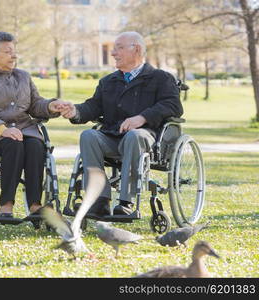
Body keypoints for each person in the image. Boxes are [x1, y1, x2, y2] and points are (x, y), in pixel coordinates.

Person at [60, 31, 183, 218]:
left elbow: (173, 105)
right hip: (113, 136)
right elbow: (94, 106)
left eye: (119, 48)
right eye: (114, 48)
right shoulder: (108, 81)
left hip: (146, 137)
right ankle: (100, 200)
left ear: (137, 49)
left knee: (135, 135)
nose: (113, 52)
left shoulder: (161, 78)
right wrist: (75, 111)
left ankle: (126, 201)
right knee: (89, 135)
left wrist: (142, 117)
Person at [0, 32, 66, 218]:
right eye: (8, 51)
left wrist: (51, 106)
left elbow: (36, 105)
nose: (14, 55)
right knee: (14, 145)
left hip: (25, 129)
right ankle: (6, 205)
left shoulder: (23, 77)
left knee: (36, 146)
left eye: (14, 51)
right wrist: (2, 129)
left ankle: (35, 206)